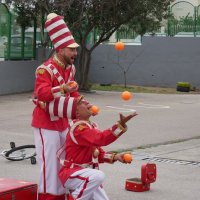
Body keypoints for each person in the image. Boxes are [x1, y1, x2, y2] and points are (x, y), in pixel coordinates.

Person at [32, 13, 85, 200]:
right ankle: (47, 197)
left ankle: (62, 195)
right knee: (49, 165)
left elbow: (73, 92)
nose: (75, 54)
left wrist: (82, 104)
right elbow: (42, 94)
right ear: (60, 49)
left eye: (75, 50)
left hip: (63, 123)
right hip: (45, 124)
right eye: (72, 50)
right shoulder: (44, 69)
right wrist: (62, 88)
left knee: (64, 162)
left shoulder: (70, 68)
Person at [58, 101, 138, 200]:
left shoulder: (90, 127)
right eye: (82, 102)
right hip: (72, 174)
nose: (87, 102)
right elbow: (101, 139)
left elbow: (98, 154)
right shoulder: (78, 128)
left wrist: (116, 157)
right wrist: (120, 125)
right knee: (98, 176)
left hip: (87, 177)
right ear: (77, 113)